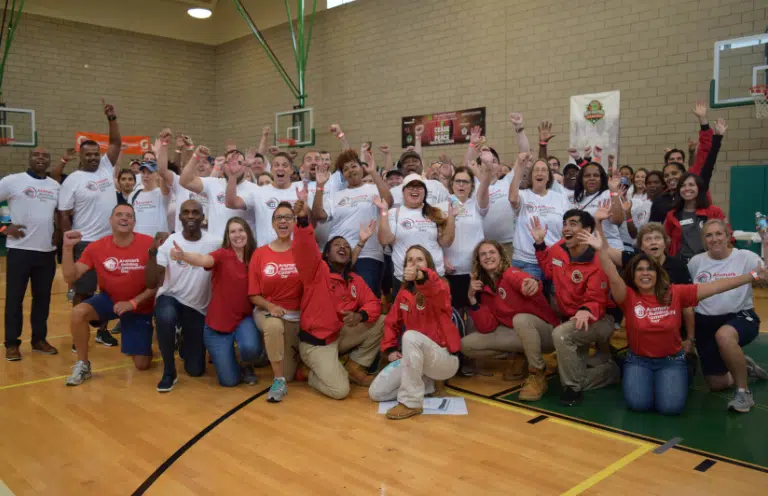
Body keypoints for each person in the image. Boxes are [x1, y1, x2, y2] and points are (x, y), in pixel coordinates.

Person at [292, 199, 385, 400]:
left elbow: (374, 304)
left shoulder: (355, 280)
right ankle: (307, 372)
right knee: (340, 391)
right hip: (317, 343)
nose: (343, 247)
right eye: (337, 245)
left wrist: (360, 315)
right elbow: (304, 249)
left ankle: (355, 366)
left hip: (340, 336)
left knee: (381, 320)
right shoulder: (316, 272)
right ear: (325, 254)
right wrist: (301, 221)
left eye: (346, 246)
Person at [531, 210, 619, 406]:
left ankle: (573, 388)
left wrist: (586, 310)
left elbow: (597, 298)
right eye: (564, 223)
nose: (566, 228)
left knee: (561, 335)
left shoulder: (598, 259)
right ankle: (608, 372)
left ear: (587, 230)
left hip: (600, 319)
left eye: (573, 223)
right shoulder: (558, 249)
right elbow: (548, 269)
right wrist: (539, 245)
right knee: (571, 360)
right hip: (572, 319)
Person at [62, 204, 157, 386]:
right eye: (119, 215)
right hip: (109, 299)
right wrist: (67, 248)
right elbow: (70, 276)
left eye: (128, 216)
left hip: (139, 306)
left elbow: (159, 282)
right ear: (111, 220)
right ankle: (83, 365)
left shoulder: (148, 245)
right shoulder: (96, 247)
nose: (124, 218)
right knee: (78, 312)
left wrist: (134, 303)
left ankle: (144, 338)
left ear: (134, 222)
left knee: (142, 364)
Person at [369, 245, 461, 420]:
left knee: (410, 335)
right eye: (410, 260)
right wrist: (389, 350)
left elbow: (432, 285)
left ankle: (411, 402)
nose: (414, 263)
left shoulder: (440, 285)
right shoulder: (403, 293)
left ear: (428, 264)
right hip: (414, 359)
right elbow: (391, 322)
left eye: (419, 259)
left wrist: (420, 275)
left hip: (444, 359)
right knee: (376, 393)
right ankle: (427, 385)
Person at [59, 100, 122, 349]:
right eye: (89, 155)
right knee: (83, 293)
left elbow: (116, 143)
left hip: (110, 241)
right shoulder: (73, 180)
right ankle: (79, 335)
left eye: (97, 154)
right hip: (85, 244)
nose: (94, 158)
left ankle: (102, 331)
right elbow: (64, 214)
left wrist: (112, 118)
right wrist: (67, 241)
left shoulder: (106, 167)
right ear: (81, 157)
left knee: (108, 290)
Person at [462, 240, 560, 400]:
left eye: (492, 252)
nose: (488, 257)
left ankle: (537, 373)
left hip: (547, 334)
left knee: (520, 319)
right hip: (520, 334)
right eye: (483, 254)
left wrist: (532, 283)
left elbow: (524, 281)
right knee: (467, 345)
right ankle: (520, 355)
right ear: (478, 261)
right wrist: (472, 298)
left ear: (501, 256)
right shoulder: (485, 289)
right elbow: (487, 327)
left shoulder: (511, 273)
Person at [171, 217, 262, 387]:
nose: (237, 235)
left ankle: (246, 364)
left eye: (241, 230)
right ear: (228, 236)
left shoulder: (256, 257)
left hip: (243, 319)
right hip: (217, 324)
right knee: (229, 381)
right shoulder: (222, 254)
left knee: (251, 349)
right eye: (232, 231)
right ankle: (231, 362)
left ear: (248, 233)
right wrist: (183, 255)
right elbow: (203, 260)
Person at [688, 219, 768, 413]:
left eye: (718, 234)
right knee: (716, 383)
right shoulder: (696, 262)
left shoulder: (745, 257)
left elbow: (764, 274)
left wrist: (765, 242)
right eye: (709, 235)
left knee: (724, 336)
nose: (714, 239)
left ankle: (743, 392)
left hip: (740, 317)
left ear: (727, 236)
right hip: (706, 323)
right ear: (703, 240)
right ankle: (744, 368)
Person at [145, 200, 220, 392]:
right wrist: (153, 252)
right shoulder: (170, 242)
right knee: (166, 315)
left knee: (195, 370)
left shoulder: (215, 242)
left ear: (203, 217)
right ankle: (169, 371)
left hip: (197, 308)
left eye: (196, 212)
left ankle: (184, 337)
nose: (191, 216)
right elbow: (152, 283)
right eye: (186, 212)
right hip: (171, 298)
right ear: (180, 217)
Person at [1, 147, 61, 361]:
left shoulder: (55, 186)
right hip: (19, 251)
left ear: (49, 161)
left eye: (45, 156)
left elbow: (58, 213)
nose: (41, 158)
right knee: (14, 299)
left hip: (46, 253)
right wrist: (3, 227)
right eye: (37, 155)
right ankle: (11, 343)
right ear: (29, 158)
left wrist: (59, 232)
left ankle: (38, 339)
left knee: (42, 300)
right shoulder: (12, 181)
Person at [312, 149, 393, 296]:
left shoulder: (374, 189)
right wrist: (320, 186)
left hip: (368, 255)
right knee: (333, 299)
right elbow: (318, 215)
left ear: (362, 168)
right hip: (338, 255)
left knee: (366, 300)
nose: (350, 170)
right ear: (343, 174)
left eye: (353, 166)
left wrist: (374, 173)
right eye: (345, 169)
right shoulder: (336, 196)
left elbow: (388, 201)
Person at [249, 202, 303, 402]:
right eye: (278, 217)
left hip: (296, 317)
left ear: (294, 223)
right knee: (272, 325)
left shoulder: (302, 250)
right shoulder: (260, 253)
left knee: (291, 372)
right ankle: (278, 381)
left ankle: (278, 360)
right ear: (272, 224)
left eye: (288, 217)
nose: (283, 221)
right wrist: (270, 306)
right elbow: (253, 295)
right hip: (268, 311)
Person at [375, 174, 457, 297]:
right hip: (404, 278)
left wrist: (451, 218)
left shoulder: (435, 212)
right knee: (405, 314)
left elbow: (446, 242)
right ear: (403, 192)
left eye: (419, 187)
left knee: (435, 314)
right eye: (410, 187)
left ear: (425, 193)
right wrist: (384, 212)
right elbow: (384, 239)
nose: (415, 190)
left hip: (434, 276)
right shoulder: (393, 213)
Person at [649, 103, 717, 223]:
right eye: (667, 175)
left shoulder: (695, 179)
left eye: (679, 160)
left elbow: (706, 151)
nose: (671, 177)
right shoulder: (662, 198)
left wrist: (703, 121)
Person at [509, 153, 571, 280]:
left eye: (544, 170)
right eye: (536, 170)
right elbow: (512, 198)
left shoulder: (560, 199)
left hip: (555, 261)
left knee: (556, 299)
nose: (540, 173)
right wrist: (520, 167)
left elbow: (569, 225)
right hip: (526, 262)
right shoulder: (523, 195)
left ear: (549, 177)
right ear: (531, 176)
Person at [225, 152, 303, 247]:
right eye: (276, 165)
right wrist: (233, 176)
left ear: (291, 170)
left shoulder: (301, 190)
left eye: (285, 165)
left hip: (294, 251)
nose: (280, 168)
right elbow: (231, 203)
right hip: (266, 253)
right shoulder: (258, 192)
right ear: (271, 169)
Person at [181, 147, 258, 240]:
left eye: (238, 163)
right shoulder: (213, 183)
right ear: (223, 167)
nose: (233, 166)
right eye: (229, 162)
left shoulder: (254, 190)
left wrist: (232, 176)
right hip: (215, 246)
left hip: (242, 247)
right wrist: (196, 156)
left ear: (245, 167)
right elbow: (185, 181)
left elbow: (232, 203)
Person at [443, 163, 491, 311]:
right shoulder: (441, 206)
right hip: (451, 271)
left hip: (475, 271)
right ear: (452, 184)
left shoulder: (477, 204)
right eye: (458, 181)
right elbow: (433, 238)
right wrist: (441, 260)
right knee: (455, 314)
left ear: (472, 185)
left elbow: (484, 186)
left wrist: (485, 167)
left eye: (466, 181)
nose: (461, 185)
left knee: (475, 314)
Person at [157, 133, 211, 234]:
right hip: (182, 240)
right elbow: (163, 171)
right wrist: (164, 144)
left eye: (205, 162)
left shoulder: (214, 185)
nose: (201, 165)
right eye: (198, 161)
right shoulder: (180, 182)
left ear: (211, 167)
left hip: (207, 241)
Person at [664, 172, 725, 261]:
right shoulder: (672, 215)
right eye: (683, 186)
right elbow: (666, 240)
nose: (687, 188)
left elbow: (727, 235)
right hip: (683, 264)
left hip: (711, 261)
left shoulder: (714, 211)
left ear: (699, 188)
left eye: (691, 185)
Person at [572, 163, 625, 250]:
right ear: (581, 179)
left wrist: (614, 190)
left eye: (596, 175)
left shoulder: (609, 194)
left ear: (602, 179)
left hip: (609, 248)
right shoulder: (579, 198)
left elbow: (618, 220)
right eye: (587, 176)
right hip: (586, 249)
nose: (591, 178)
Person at [129, 161, 170, 237]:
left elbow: (164, 175)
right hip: (138, 240)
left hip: (157, 243)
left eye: (150, 172)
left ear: (157, 175)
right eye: (143, 172)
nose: (146, 176)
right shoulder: (133, 195)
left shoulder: (162, 193)